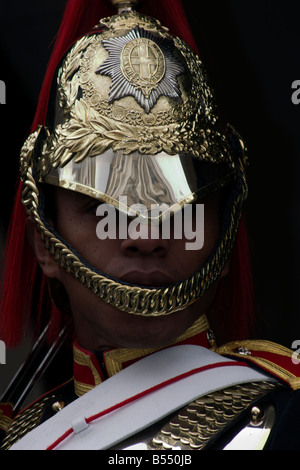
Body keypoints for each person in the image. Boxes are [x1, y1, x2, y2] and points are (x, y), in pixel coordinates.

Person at [0, 0, 300, 451]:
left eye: (180, 210)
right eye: (105, 209)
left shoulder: (288, 417)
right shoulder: (23, 435)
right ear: (45, 243)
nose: (145, 236)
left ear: (223, 232)